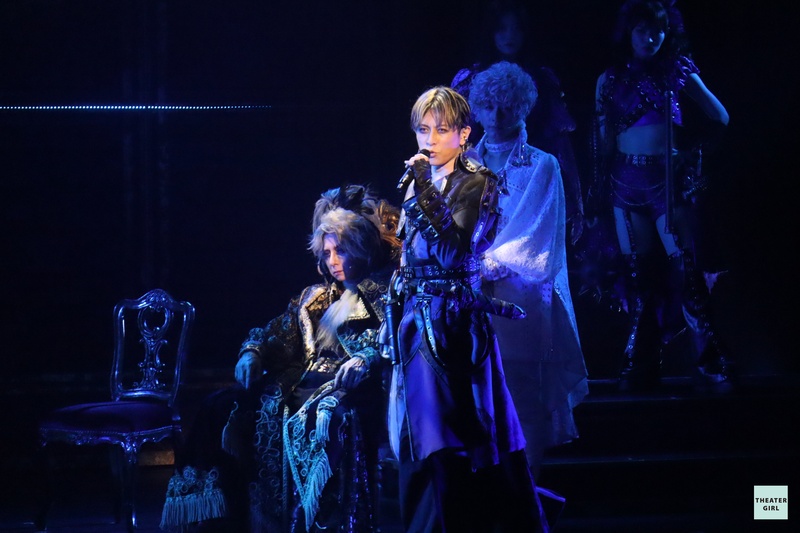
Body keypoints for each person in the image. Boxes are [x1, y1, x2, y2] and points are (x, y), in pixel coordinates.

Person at [160, 184, 401, 532]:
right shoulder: (315, 298)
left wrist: (366, 358)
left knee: (326, 418)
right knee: (219, 406)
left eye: (342, 251)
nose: (333, 261)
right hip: (297, 383)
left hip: (349, 391)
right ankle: (222, 521)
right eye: (327, 252)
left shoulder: (385, 295)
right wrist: (253, 352)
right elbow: (277, 332)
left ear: (361, 249)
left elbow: (392, 341)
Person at [384, 85, 547, 532]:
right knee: (420, 436)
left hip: (452, 326)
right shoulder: (420, 181)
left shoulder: (477, 182)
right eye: (423, 130)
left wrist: (423, 188)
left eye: (441, 130)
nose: (430, 139)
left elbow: (453, 254)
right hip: (415, 321)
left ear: (464, 134)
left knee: (453, 436)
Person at [590, 0, 732, 392]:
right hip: (624, 185)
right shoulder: (609, 79)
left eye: (657, 30)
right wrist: (595, 196)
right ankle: (641, 364)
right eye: (641, 30)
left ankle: (709, 362)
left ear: (668, 32)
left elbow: (720, 117)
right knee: (640, 279)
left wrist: (690, 155)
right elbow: (601, 143)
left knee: (687, 272)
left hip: (666, 184)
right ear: (628, 32)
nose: (649, 38)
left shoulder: (678, 71)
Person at [467, 60, 589, 478]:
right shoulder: (464, 163)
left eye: (507, 105)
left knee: (523, 389)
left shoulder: (542, 164)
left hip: (521, 294)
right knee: (476, 391)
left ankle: (527, 487)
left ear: (522, 107)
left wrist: (489, 263)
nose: (498, 115)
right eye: (489, 106)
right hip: (471, 294)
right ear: (478, 108)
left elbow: (538, 231)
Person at [451, 0, 585, 249]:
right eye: (502, 28)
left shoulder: (543, 80)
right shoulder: (469, 79)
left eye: (516, 28)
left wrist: (573, 198)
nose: (510, 36)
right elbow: (456, 137)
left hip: (530, 180)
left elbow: (559, 142)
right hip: (481, 175)